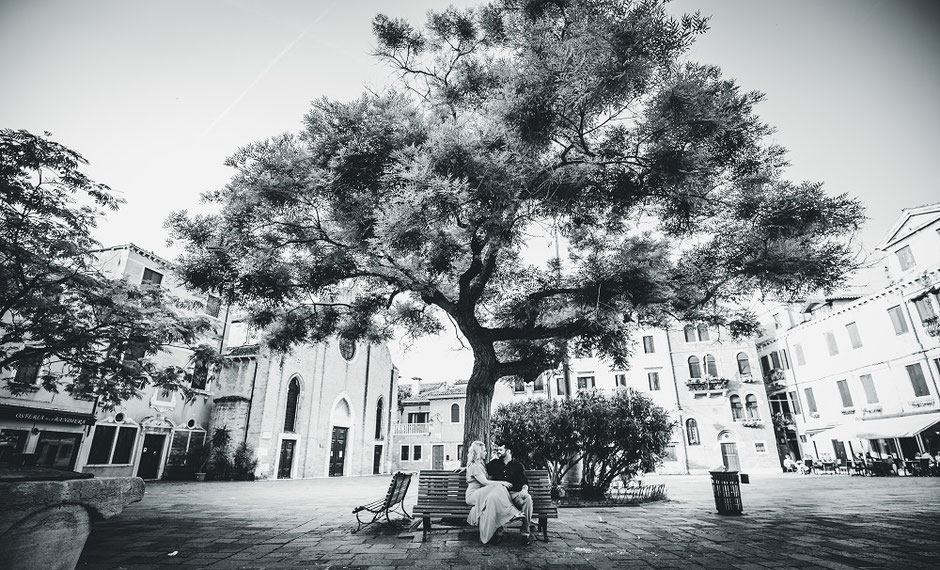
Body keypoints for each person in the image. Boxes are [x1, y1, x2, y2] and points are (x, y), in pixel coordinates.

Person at [464, 440, 524, 545]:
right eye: (484, 451)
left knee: (494, 498)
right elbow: (486, 482)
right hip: (473, 495)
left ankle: (497, 531)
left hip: (482, 492)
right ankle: (512, 513)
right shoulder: (475, 466)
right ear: (478, 452)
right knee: (500, 487)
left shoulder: (480, 464)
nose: (486, 453)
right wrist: (503, 482)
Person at [487, 442, 535, 545]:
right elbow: (480, 469)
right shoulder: (494, 463)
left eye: (500, 450)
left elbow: (525, 483)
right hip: (500, 495)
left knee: (528, 499)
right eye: (497, 450)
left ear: (508, 451)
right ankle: (498, 533)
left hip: (515, 494)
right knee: (495, 499)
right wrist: (466, 468)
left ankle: (525, 534)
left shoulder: (518, 465)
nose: (498, 452)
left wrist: (524, 490)